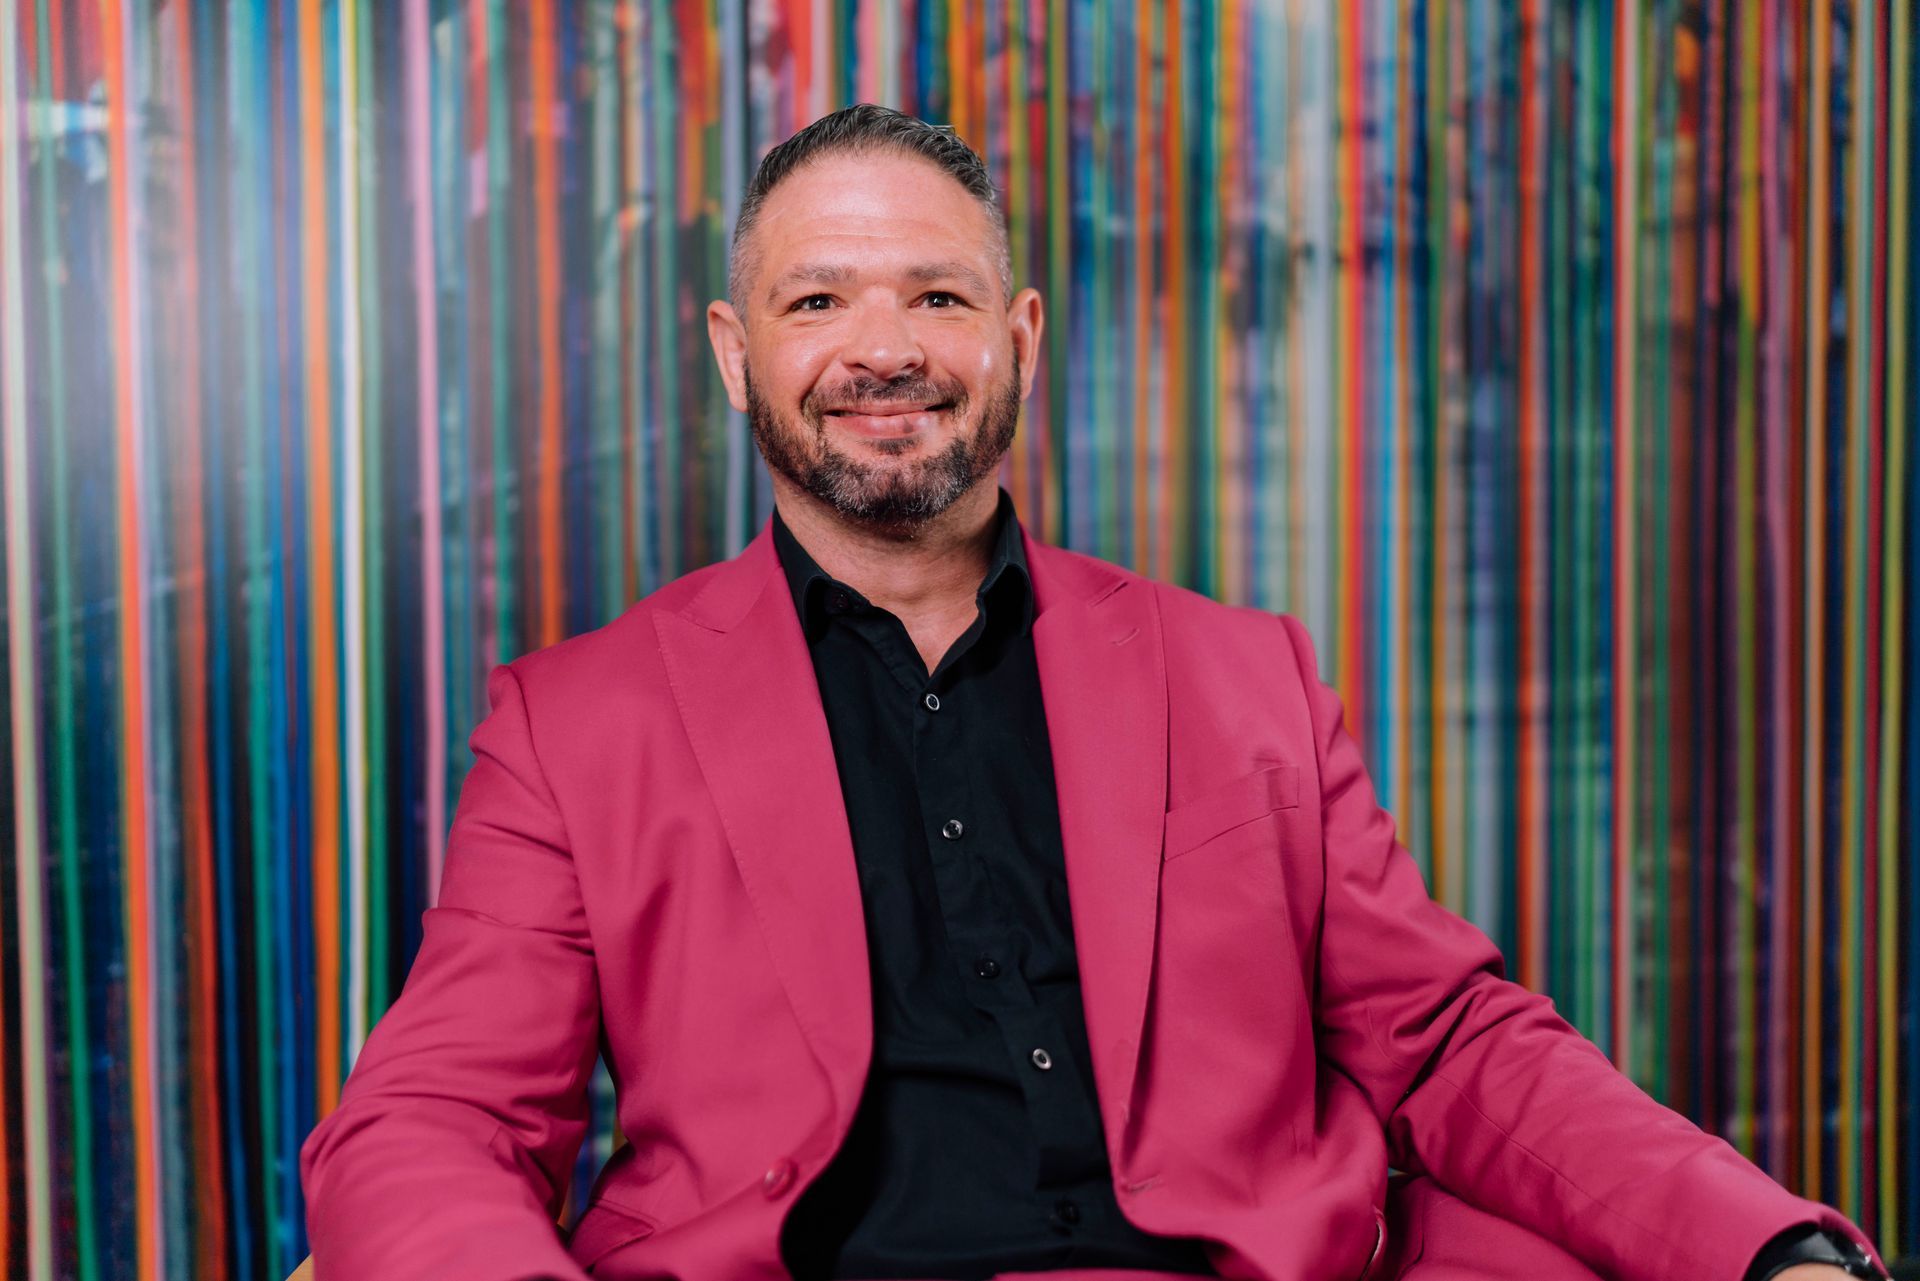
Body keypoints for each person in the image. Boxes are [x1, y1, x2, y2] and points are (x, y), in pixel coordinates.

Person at [299, 104, 1886, 1281]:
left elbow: (1452, 1040)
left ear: (1020, 338)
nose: (883, 347)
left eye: (935, 295)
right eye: (817, 301)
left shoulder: (1236, 670)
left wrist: (1771, 1252)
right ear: (733, 354)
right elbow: (431, 1116)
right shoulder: (579, 720)